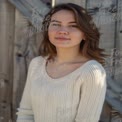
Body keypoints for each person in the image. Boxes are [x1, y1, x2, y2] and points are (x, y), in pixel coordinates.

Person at [16, 3, 107, 122]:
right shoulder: (37, 64)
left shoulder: (92, 72)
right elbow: (26, 113)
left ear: (84, 34)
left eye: (73, 26)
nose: (62, 31)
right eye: (56, 24)